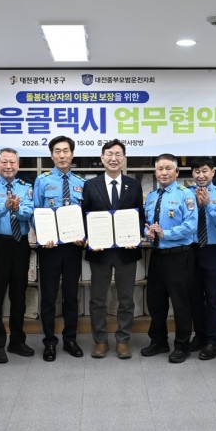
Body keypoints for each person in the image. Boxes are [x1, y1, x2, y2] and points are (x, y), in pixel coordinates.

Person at [82, 139, 144, 359]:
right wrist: (89, 238)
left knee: (126, 298)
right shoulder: (91, 185)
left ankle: (123, 340)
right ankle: (100, 340)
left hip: (127, 250)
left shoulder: (133, 185)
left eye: (118, 154)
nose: (113, 158)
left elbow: (139, 216)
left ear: (124, 158)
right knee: (98, 299)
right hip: (100, 251)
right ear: (102, 158)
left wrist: (136, 236)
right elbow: (85, 216)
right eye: (109, 154)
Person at [33, 136, 86, 362]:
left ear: (72, 155)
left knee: (71, 296)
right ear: (51, 155)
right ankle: (49, 342)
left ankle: (70, 339)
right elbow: (35, 212)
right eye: (57, 151)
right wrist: (43, 235)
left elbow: (86, 215)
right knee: (49, 297)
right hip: (50, 248)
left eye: (66, 151)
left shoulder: (81, 182)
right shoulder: (42, 180)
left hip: (73, 248)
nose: (62, 155)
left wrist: (84, 236)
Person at [0, 148, 35, 363]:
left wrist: (17, 209)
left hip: (20, 245)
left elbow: (28, 212)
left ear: (18, 165)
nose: (9, 166)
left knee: (19, 295)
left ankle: (17, 340)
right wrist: (5, 206)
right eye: (4, 162)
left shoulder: (25, 186)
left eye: (12, 162)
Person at [141, 153, 198, 363]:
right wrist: (148, 232)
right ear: (155, 172)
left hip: (179, 256)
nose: (163, 173)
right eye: (159, 169)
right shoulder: (151, 196)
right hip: (157, 255)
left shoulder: (185, 194)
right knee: (155, 301)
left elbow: (191, 226)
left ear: (176, 171)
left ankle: (182, 345)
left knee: (180, 303)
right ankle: (159, 340)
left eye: (168, 168)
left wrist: (166, 234)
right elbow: (147, 224)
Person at [188, 157, 216, 360]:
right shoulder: (186, 194)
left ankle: (213, 341)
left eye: (204, 171)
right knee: (194, 296)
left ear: (213, 172)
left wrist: (207, 206)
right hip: (190, 249)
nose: (201, 175)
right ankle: (200, 335)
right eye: (196, 171)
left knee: (214, 297)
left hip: (212, 250)